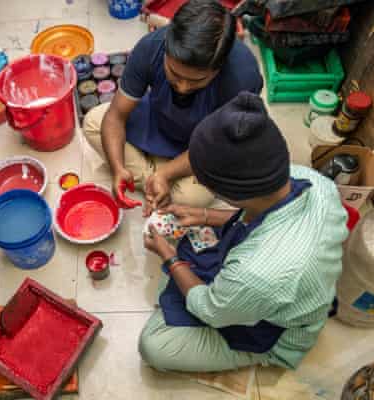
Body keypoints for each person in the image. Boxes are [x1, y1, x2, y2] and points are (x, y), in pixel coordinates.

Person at [139, 92, 348, 372]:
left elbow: (210, 309)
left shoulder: (254, 274)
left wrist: (168, 255)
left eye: (204, 180)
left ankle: (264, 356)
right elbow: (264, 215)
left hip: (276, 332)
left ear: (232, 194)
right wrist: (204, 215)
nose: (199, 181)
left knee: (154, 346)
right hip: (280, 288)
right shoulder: (314, 181)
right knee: (201, 246)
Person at [82, 0, 262, 211]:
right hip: (158, 122)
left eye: (196, 81)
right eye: (175, 74)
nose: (183, 87)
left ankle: (156, 176)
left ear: (218, 68)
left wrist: (165, 173)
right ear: (166, 49)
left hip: (203, 145)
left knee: (193, 198)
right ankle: (157, 182)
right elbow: (116, 117)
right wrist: (118, 168)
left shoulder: (242, 76)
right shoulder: (151, 46)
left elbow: (218, 147)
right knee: (94, 122)